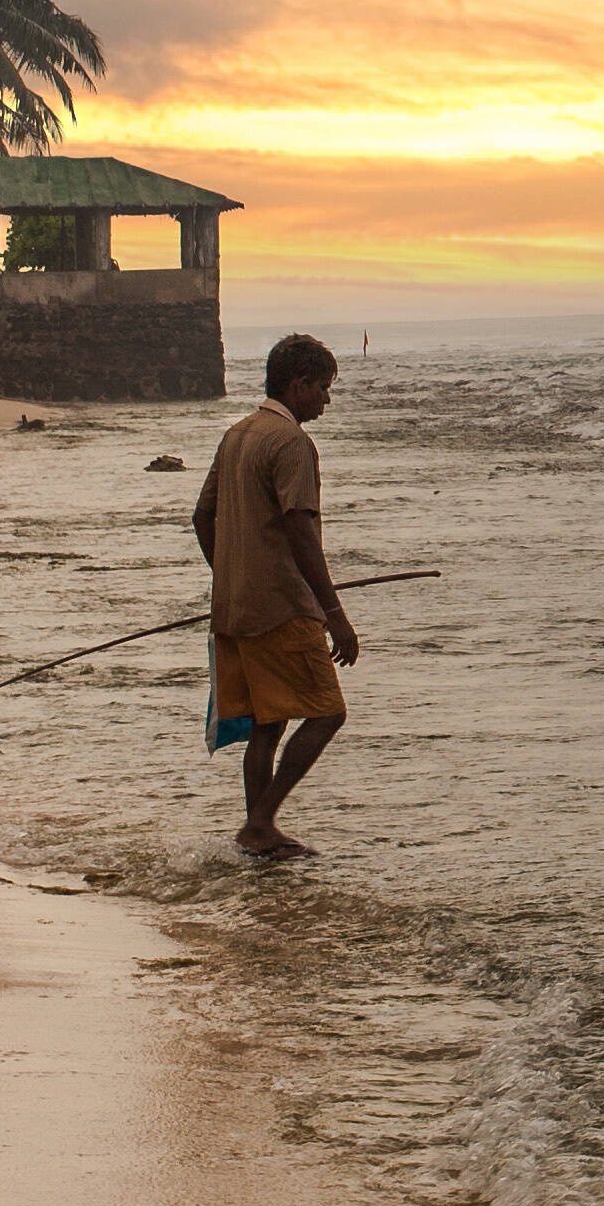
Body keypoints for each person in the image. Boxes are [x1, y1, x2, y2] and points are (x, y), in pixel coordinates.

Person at [189, 332, 361, 858]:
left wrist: (234, 573)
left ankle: (257, 834)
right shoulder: (292, 444)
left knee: (268, 724)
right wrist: (335, 614)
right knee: (328, 712)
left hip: (235, 609)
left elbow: (202, 516)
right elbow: (301, 530)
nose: (326, 400)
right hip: (283, 610)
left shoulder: (238, 434)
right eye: (323, 389)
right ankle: (260, 824)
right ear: (298, 383)